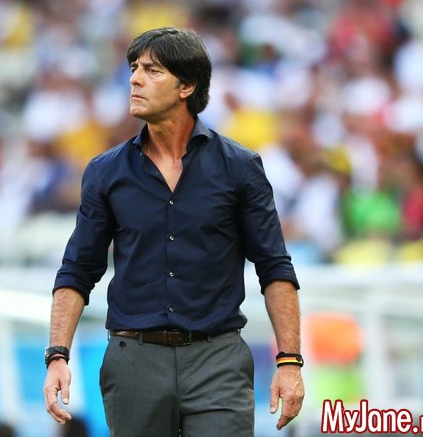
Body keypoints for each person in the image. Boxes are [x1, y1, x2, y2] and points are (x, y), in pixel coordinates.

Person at [43, 27, 304, 436]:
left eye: (152, 70)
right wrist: (57, 354)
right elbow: (78, 269)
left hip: (218, 359)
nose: (134, 79)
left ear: (187, 86)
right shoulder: (105, 172)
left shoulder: (240, 167)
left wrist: (289, 361)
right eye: (134, 68)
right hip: (134, 362)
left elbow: (274, 267)